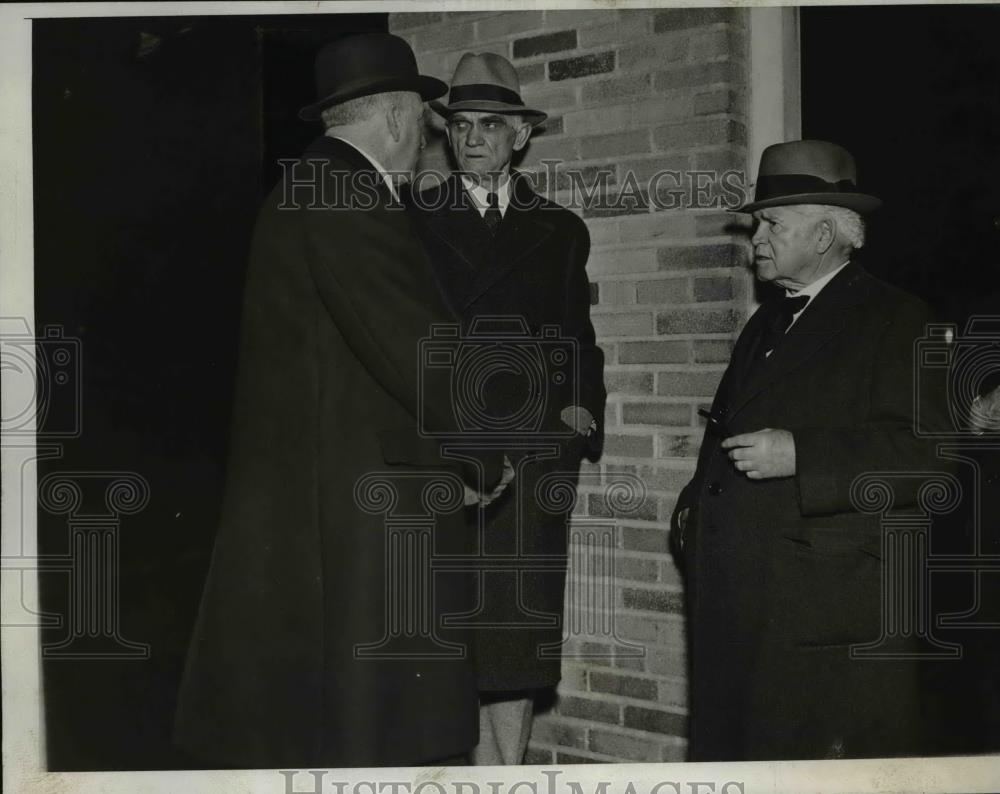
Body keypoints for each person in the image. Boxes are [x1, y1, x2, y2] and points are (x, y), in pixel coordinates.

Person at [173, 33, 509, 768]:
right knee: (379, 740)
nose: (427, 140)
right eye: (425, 123)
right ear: (395, 120)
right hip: (359, 526)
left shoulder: (301, 188)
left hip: (315, 515)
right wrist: (489, 454)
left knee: (320, 733)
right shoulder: (350, 193)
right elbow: (422, 351)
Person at [670, 139, 951, 760]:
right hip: (742, 605)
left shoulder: (897, 318)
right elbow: (726, 437)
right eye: (757, 224)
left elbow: (928, 460)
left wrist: (803, 454)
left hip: (820, 620)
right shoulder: (765, 323)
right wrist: (693, 509)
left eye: (772, 224)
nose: (757, 240)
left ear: (824, 235)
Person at [408, 52, 606, 765]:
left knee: (513, 645)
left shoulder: (559, 230)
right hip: (446, 457)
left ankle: (506, 776)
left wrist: (578, 419)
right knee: (440, 639)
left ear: (521, 136)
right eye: (460, 125)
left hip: (528, 464)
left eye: (491, 125)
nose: (473, 139)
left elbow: (578, 342)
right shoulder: (410, 219)